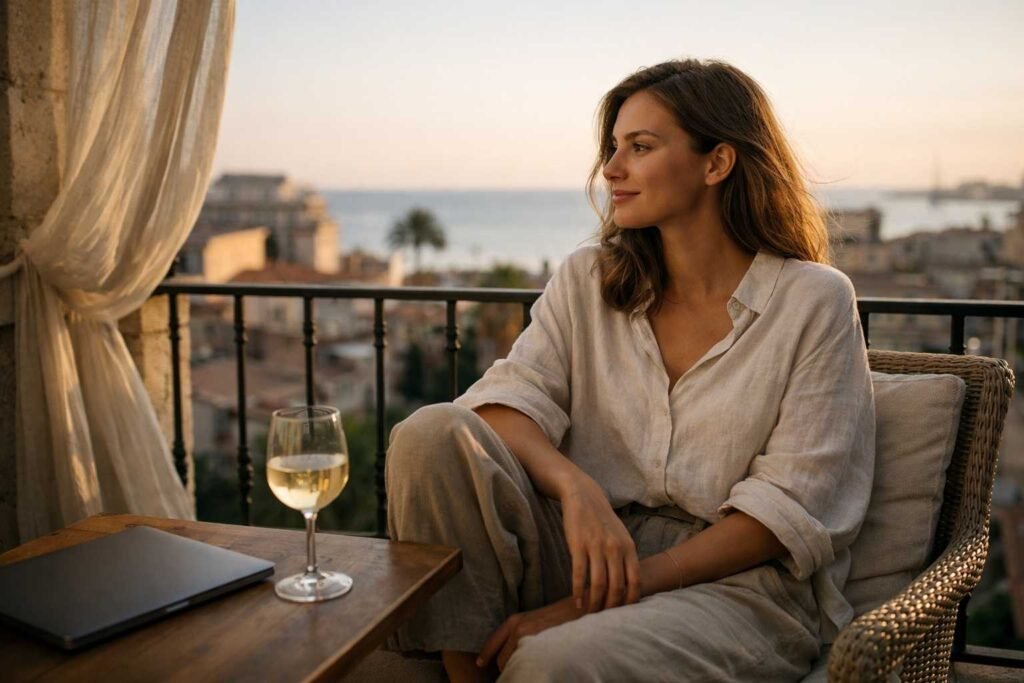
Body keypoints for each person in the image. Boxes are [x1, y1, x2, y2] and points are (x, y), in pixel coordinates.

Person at [384, 58, 875, 682]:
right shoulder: (590, 277)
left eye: (640, 147)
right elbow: (503, 402)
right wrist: (576, 489)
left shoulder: (814, 301)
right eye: (613, 148)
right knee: (431, 433)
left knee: (552, 662)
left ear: (716, 163)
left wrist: (583, 605)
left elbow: (782, 515)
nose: (611, 169)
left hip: (736, 589)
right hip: (589, 547)